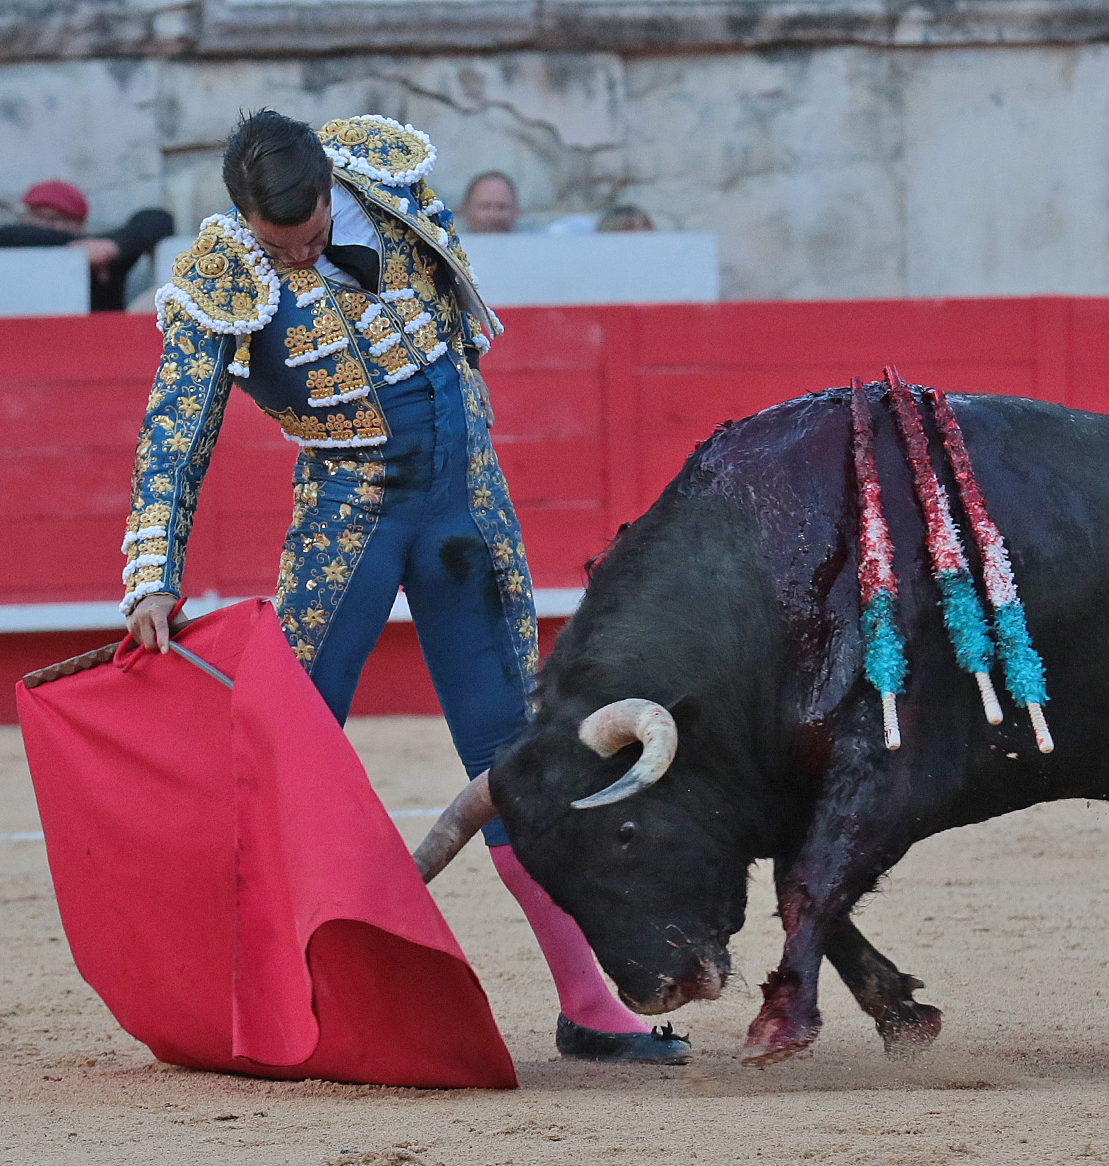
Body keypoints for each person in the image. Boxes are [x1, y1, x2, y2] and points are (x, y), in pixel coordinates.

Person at [118, 110, 689, 1064]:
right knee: (285, 756)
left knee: (515, 755)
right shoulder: (223, 272)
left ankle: (591, 1004)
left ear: (326, 191)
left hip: (465, 503)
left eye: (307, 237)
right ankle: (253, 1002)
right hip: (351, 520)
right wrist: (152, 572)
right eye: (279, 244)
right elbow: (175, 430)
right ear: (243, 218)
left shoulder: (382, 176)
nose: (297, 256)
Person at [0, 180, 174, 311]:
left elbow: (158, 220)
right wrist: (78, 252)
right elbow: (2, 236)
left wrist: (111, 247)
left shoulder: (108, 255)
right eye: (40, 217)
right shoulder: (11, 244)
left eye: (61, 219)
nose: (50, 226)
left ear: (80, 224)